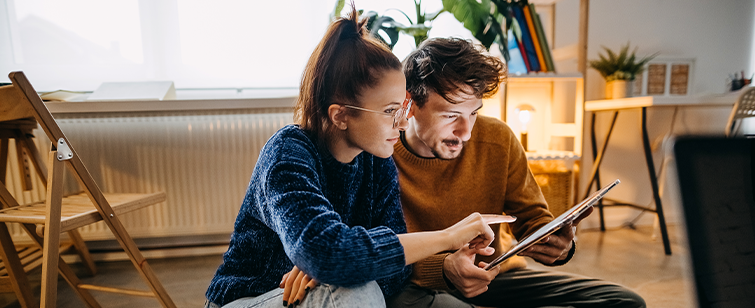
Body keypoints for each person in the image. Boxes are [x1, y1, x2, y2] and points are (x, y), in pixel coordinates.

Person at [204, 9, 506, 308]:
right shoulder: (287, 154)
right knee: (355, 294)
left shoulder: (377, 161)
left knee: (362, 288)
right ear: (341, 115)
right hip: (249, 298)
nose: (401, 124)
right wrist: (448, 237)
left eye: (400, 110)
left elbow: (395, 275)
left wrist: (336, 263)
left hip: (321, 295)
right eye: (390, 111)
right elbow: (329, 255)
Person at [386, 37, 647, 308]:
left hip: (494, 277)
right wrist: (443, 267)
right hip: (417, 284)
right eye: (451, 116)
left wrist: (556, 242)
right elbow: (373, 250)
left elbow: (531, 219)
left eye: (473, 113)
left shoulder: (498, 139)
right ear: (411, 104)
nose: (466, 133)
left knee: (624, 302)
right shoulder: (382, 153)